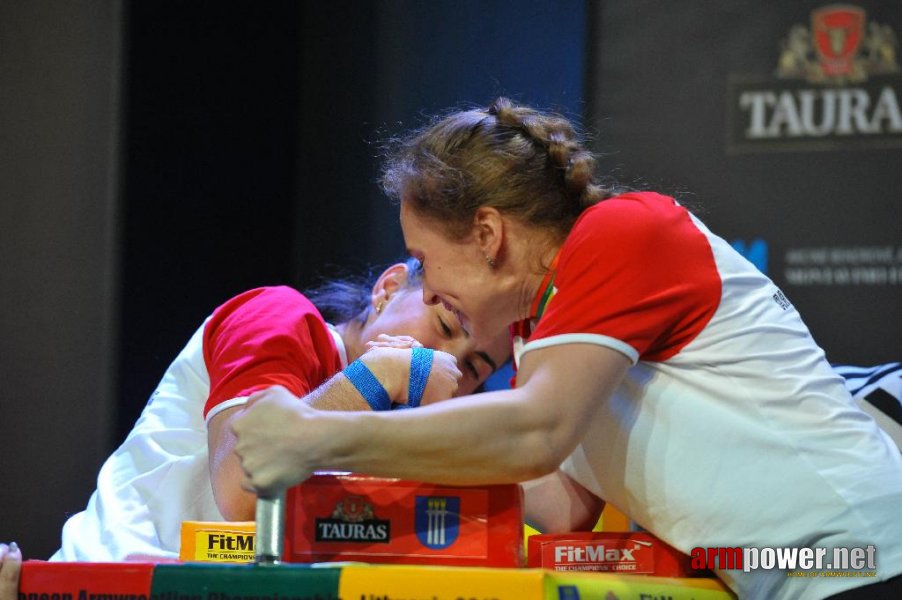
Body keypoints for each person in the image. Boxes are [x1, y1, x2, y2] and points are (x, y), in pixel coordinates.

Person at [231, 98, 902, 600]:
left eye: (424, 259)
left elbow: (536, 432)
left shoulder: (624, 232)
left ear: (488, 234)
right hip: (795, 577)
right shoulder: (541, 337)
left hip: (865, 561)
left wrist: (319, 435)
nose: (426, 286)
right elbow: (559, 503)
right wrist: (377, 433)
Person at [50, 259, 512, 561]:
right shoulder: (281, 316)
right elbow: (242, 493)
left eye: (473, 367)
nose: (447, 359)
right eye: (446, 323)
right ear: (388, 289)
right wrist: (380, 374)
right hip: (113, 579)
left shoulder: (385, 431)